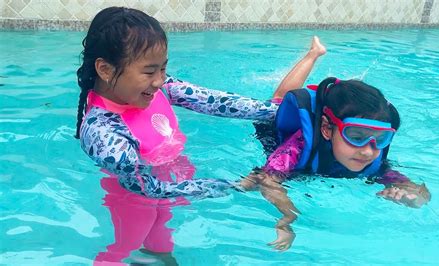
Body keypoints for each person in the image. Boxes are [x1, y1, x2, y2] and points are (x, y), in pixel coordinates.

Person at [75, 7, 284, 264]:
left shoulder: (156, 89)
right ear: (105, 70)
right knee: (126, 244)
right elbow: (150, 190)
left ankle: (159, 257)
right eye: (149, 72)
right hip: (134, 197)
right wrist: (232, 186)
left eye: (163, 69)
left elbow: (215, 101)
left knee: (161, 237)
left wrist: (275, 111)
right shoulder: (105, 135)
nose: (159, 80)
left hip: (167, 178)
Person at [241, 36, 431, 251]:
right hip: (279, 131)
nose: (368, 151)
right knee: (279, 98)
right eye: (356, 137)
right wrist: (287, 217)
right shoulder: (297, 148)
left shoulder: (374, 161)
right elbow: (269, 181)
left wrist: (411, 197)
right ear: (326, 129)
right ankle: (314, 53)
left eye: (379, 139)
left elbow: (420, 191)